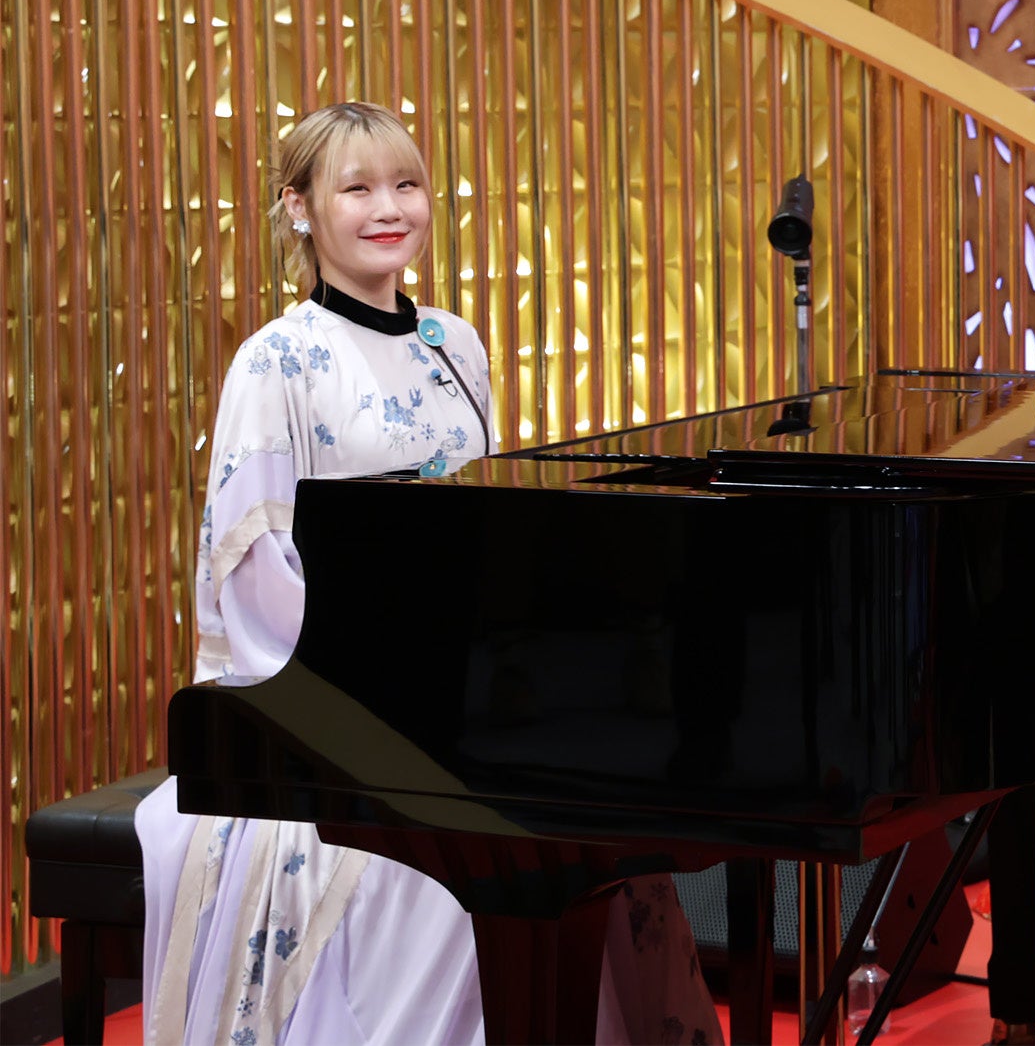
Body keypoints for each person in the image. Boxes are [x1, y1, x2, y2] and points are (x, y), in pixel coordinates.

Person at [134, 103, 718, 1046]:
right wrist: (389, 684)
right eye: (357, 188)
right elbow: (251, 569)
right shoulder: (277, 362)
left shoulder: (455, 343)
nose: (389, 208)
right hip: (330, 702)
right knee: (454, 867)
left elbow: (489, 527)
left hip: (467, 693)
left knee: (597, 818)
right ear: (299, 207)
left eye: (406, 185)